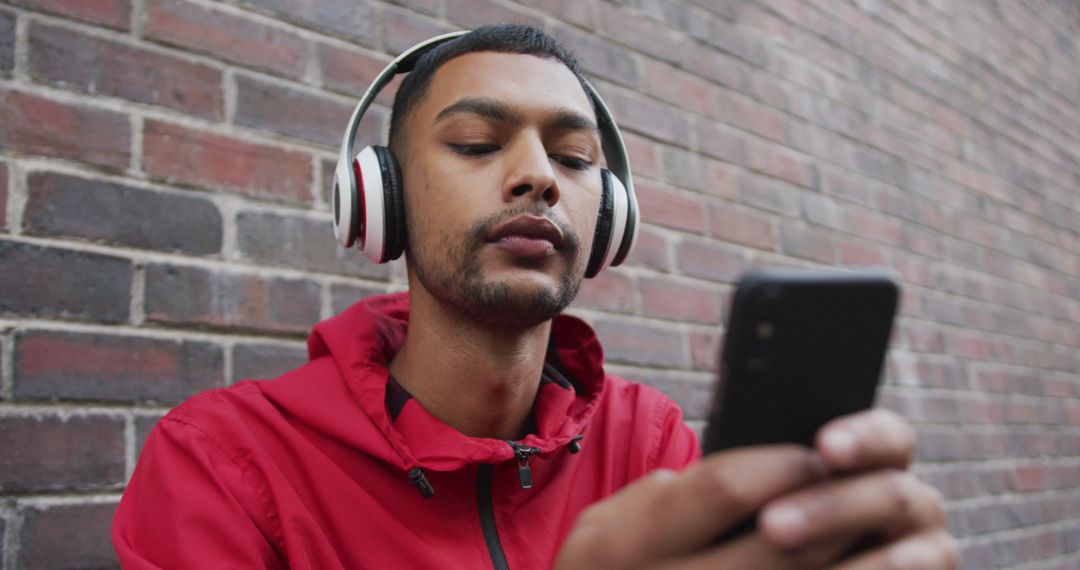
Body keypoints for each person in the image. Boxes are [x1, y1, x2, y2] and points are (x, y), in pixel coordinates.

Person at [112, 24, 957, 569]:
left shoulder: (648, 440)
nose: (538, 178)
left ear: (611, 216)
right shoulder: (221, 462)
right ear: (379, 199)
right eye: (479, 142)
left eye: (576, 159)